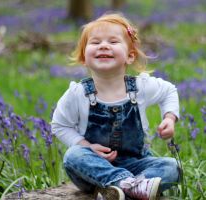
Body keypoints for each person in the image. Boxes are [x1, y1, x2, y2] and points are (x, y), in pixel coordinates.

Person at [51, 13, 180, 200]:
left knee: (172, 167)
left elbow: (169, 91)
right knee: (73, 156)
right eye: (95, 43)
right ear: (84, 58)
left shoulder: (140, 87)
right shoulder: (77, 94)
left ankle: (117, 191)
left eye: (113, 41)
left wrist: (169, 118)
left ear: (130, 56)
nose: (103, 45)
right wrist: (87, 146)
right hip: (94, 170)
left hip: (137, 164)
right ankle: (130, 186)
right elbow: (60, 125)